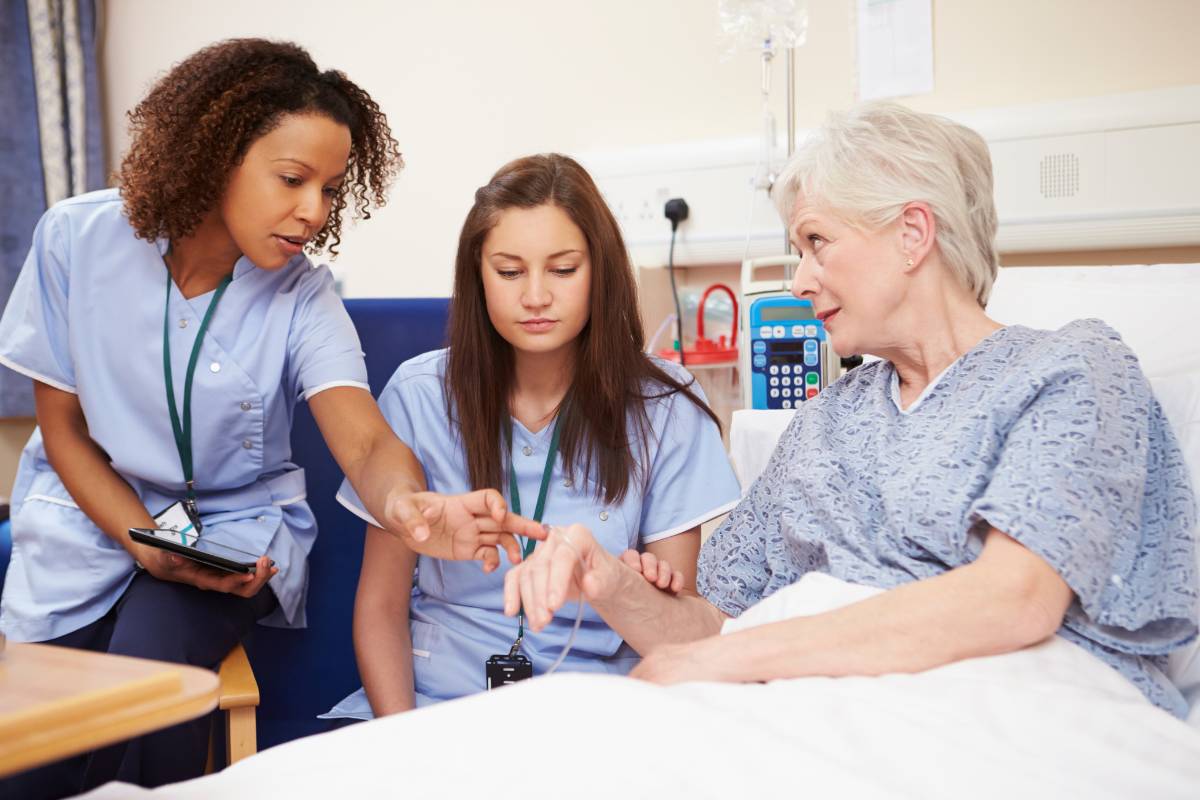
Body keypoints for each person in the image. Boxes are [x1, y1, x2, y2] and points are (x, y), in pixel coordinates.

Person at [505, 101, 1198, 718]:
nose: (802, 279)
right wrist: (608, 581)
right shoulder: (826, 421)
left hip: (1012, 707)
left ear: (912, 235)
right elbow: (716, 628)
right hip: (823, 710)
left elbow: (1014, 599)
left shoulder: (1071, 372)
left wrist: (724, 662)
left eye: (817, 243)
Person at [0, 39, 541, 798]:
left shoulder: (303, 296)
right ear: (216, 154)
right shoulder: (75, 239)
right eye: (293, 180)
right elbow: (61, 430)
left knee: (150, 678)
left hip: (227, 542)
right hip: (87, 520)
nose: (315, 212)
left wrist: (406, 505)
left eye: (330, 188)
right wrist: (142, 541)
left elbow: (363, 434)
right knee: (35, 754)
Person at [322, 154, 741, 718]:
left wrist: (629, 585)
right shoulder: (419, 395)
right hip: (431, 708)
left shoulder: (664, 405)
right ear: (478, 276)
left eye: (563, 270)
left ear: (601, 271)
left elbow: (677, 634)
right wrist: (402, 742)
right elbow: (380, 606)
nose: (536, 296)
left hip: (595, 715)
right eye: (510, 272)